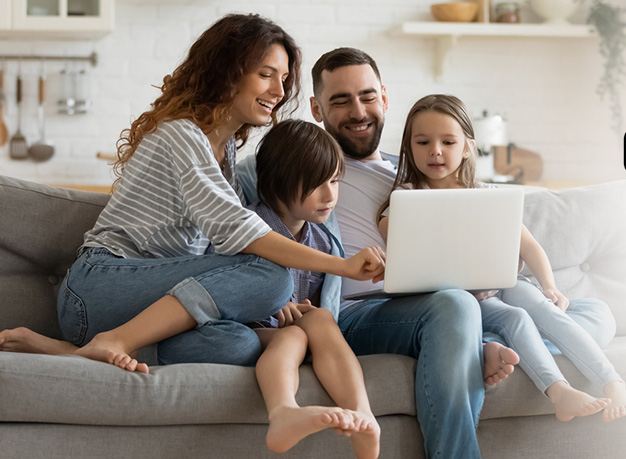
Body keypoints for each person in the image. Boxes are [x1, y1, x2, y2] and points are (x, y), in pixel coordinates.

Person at [0, 15, 384, 373]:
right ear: (227, 73)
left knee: (239, 344)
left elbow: (229, 241)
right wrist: (344, 266)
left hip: (147, 305)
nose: (279, 91)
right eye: (266, 74)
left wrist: (272, 304)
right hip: (99, 288)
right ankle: (114, 339)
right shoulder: (180, 135)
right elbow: (241, 233)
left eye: (283, 78)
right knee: (273, 276)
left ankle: (75, 351)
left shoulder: (227, 153)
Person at [307, 48, 620, 457]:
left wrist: (498, 270)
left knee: (594, 316)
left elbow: (479, 236)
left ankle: (478, 344)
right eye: (340, 100)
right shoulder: (311, 168)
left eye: (366, 96)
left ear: (384, 98)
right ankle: (475, 353)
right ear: (316, 108)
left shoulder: (414, 169)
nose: (358, 110)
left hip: (445, 302)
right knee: (458, 305)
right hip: (365, 310)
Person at [377, 94, 626, 423]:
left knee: (540, 306)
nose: (435, 151)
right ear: (409, 146)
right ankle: (559, 390)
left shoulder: (487, 195)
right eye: (423, 142)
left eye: (448, 141)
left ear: (468, 146)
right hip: (464, 300)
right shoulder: (407, 200)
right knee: (517, 319)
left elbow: (530, 247)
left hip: (505, 283)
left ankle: (613, 382)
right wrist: (395, 222)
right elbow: (399, 248)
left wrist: (550, 286)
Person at [245, 120, 379, 458]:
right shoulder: (249, 227)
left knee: (319, 321)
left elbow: (316, 304)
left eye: (334, 181)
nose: (330, 195)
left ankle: (363, 416)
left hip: (299, 330)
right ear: (277, 184)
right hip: (252, 330)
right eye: (317, 184)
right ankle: (284, 412)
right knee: (295, 336)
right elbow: (226, 286)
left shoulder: (322, 240)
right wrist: (269, 303)